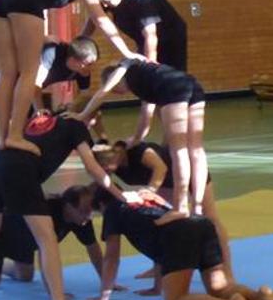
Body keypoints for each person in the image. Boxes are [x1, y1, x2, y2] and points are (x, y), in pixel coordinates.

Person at [0, 113, 123, 300]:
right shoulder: (77, 127)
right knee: (47, 239)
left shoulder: (47, 120)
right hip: (20, 169)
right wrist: (120, 195)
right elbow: (91, 167)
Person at [0, 0, 135, 156]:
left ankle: (2, 139)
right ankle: (15, 135)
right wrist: (126, 51)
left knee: (7, 72)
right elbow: (100, 18)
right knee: (29, 71)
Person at [93, 189, 273, 300]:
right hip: (201, 224)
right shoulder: (145, 197)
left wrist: (104, 295)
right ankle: (259, 296)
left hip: (179, 233)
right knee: (219, 289)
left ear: (101, 205)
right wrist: (156, 287)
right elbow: (157, 247)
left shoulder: (113, 209)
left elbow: (111, 257)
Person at [0, 184, 121, 296]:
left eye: (90, 212)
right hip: (1, 234)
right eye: (83, 211)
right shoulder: (47, 213)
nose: (87, 216)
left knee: (25, 276)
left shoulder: (81, 220)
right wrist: (55, 294)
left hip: (24, 241)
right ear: (68, 206)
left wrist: (107, 281)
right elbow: (45, 254)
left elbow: (94, 250)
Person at [77, 54, 208, 215]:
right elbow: (146, 116)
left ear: (114, 79)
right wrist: (137, 138)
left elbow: (102, 92)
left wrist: (82, 115)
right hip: (191, 83)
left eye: (115, 89)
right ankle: (197, 207)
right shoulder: (142, 78)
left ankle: (181, 207)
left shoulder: (124, 68)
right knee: (195, 149)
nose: (118, 93)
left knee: (178, 150)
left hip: (172, 88)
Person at [100, 139, 233, 285]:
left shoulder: (139, 151)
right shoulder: (115, 168)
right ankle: (158, 268)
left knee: (210, 217)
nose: (106, 169)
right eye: (102, 166)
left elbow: (161, 168)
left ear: (117, 153)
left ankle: (226, 269)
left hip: (190, 173)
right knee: (163, 223)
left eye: (107, 164)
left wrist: (151, 190)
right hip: (167, 184)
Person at [90, 0, 188, 72]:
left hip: (170, 38)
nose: (105, 5)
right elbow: (95, 17)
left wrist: (150, 67)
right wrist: (83, 37)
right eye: (102, 1)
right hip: (143, 40)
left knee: (167, 74)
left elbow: (151, 35)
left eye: (107, 1)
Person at [35, 36, 97, 111]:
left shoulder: (82, 72)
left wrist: (73, 108)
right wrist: (39, 111)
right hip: (25, 81)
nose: (91, 68)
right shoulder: (52, 53)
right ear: (74, 60)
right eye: (89, 64)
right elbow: (35, 86)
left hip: (36, 89)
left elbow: (85, 97)